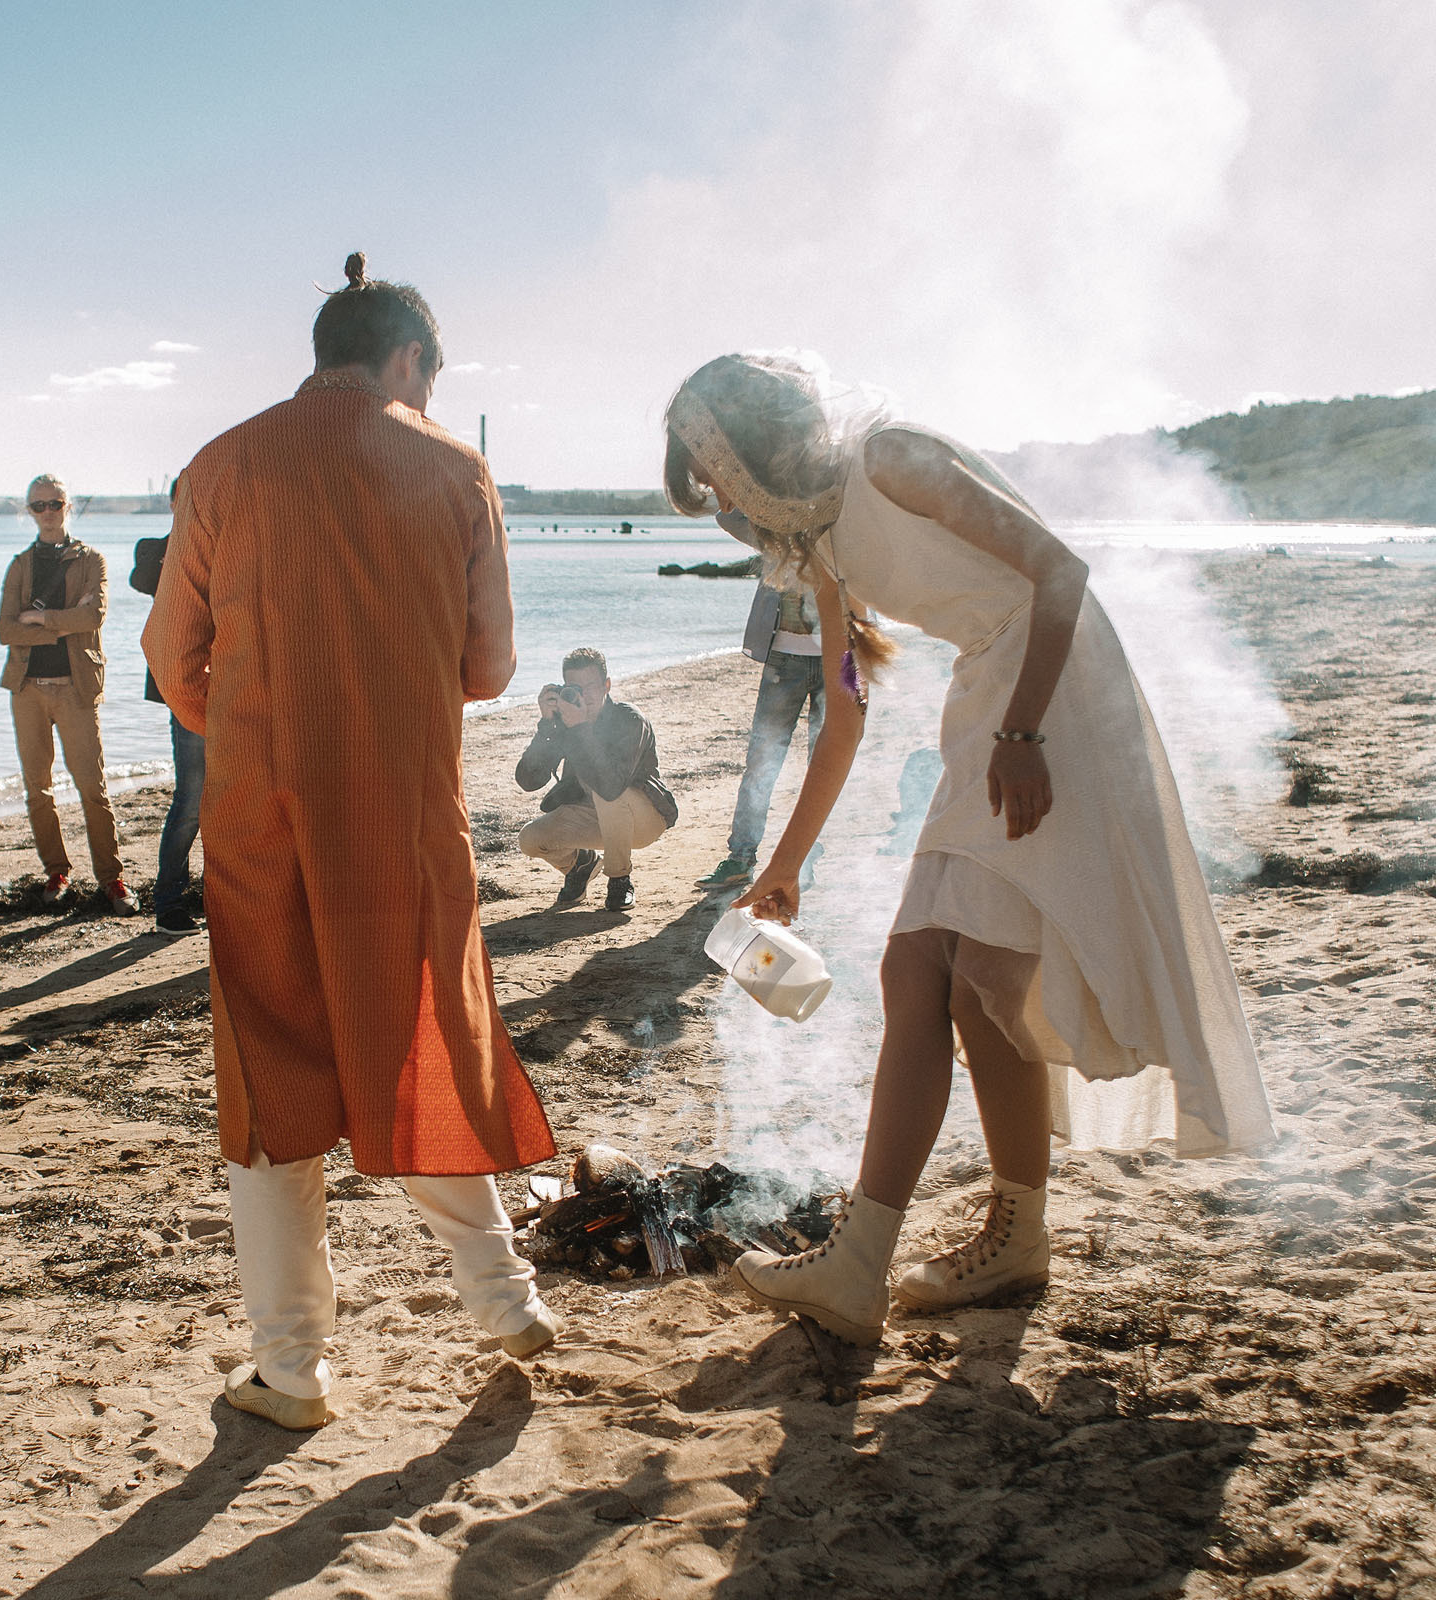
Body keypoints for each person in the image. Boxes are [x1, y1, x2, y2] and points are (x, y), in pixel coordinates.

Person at [660, 352, 1276, 1348]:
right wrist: (785, 863)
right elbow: (846, 714)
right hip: (993, 707)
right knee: (973, 982)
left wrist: (1024, 732)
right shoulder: (822, 542)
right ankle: (1013, 1235)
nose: (720, 496)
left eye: (714, 469)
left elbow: (1060, 573)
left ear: (751, 441)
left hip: (1053, 694)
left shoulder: (891, 459)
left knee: (926, 967)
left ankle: (864, 1260)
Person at [142, 253, 562, 1430]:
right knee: (419, 1031)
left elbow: (172, 657)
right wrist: (392, 680)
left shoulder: (224, 462)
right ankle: (503, 1296)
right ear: (407, 358)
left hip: (263, 811)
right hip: (404, 805)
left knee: (272, 1071)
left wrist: (252, 720)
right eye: (431, 375)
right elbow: (492, 665)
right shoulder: (455, 467)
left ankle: (292, 1368)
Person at [0, 476, 136, 915]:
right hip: (28, 690)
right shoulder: (20, 565)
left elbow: (93, 616)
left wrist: (41, 620)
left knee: (92, 786)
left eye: (54, 503)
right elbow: (6, 630)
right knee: (37, 789)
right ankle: (57, 872)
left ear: (68, 506)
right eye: (38, 506)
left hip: (76, 688)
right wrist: (62, 622)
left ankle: (111, 878)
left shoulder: (92, 559)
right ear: (29, 511)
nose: (47, 512)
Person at [514, 646, 677, 912]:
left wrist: (579, 728)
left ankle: (619, 880)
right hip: (596, 818)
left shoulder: (628, 720)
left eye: (590, 687)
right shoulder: (565, 721)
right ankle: (580, 866)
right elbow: (528, 780)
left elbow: (611, 787)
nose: (583, 696)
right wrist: (546, 725)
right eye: (575, 688)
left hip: (643, 819)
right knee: (530, 839)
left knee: (607, 793)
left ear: (606, 686)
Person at [702, 578, 826, 887]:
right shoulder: (779, 544)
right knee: (761, 764)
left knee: (824, 766)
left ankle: (804, 857)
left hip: (839, 657)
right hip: (784, 656)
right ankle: (741, 859)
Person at [130, 515, 203, 934]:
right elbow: (142, 579)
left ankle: (221, 898)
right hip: (188, 689)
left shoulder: (230, 544)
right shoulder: (162, 550)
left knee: (234, 800)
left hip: (239, 687)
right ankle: (169, 903)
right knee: (191, 801)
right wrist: (181, 536)